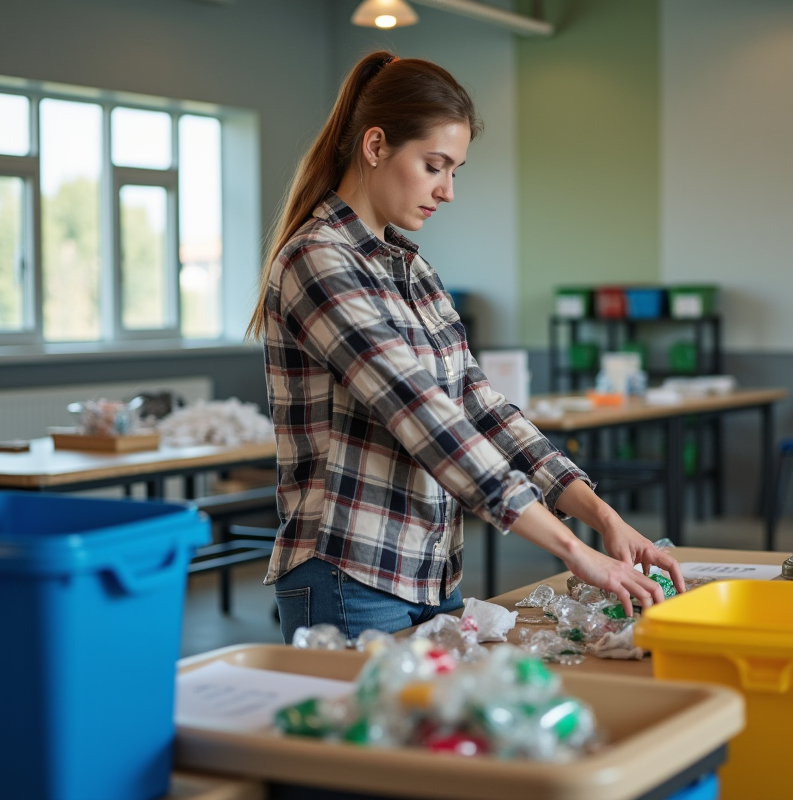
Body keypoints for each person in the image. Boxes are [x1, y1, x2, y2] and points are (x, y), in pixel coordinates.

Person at [248, 50, 685, 642]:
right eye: (434, 166)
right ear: (375, 146)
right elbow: (426, 419)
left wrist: (604, 520)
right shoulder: (318, 260)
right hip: (350, 573)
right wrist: (570, 549)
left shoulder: (414, 271)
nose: (447, 191)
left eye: (455, 171)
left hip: (431, 572)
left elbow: (481, 408)